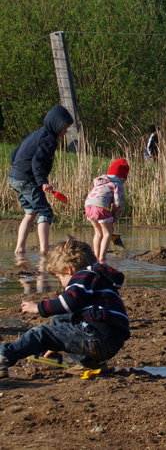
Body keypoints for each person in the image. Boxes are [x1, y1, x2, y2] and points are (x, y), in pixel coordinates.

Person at [0, 236, 130, 378]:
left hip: (95, 336)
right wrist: (57, 343)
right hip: (113, 341)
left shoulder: (82, 276)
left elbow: (69, 302)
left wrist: (38, 307)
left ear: (68, 270)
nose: (61, 284)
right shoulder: (100, 280)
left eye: (59, 277)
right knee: (60, 319)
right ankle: (93, 363)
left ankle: (4, 356)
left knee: (41, 333)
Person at [8, 105, 73, 258]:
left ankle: (19, 249)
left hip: (14, 177)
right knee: (45, 211)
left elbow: (15, 151)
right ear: (56, 125)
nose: (65, 132)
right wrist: (43, 181)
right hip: (27, 179)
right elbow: (37, 162)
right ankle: (44, 250)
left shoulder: (36, 134)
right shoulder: (49, 139)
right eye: (64, 128)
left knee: (30, 212)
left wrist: (16, 168)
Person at [84, 158, 130, 264]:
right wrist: (115, 217)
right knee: (107, 233)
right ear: (122, 177)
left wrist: (111, 217)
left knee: (98, 233)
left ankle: (95, 256)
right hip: (100, 207)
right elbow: (118, 203)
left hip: (88, 206)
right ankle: (102, 258)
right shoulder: (117, 184)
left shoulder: (101, 182)